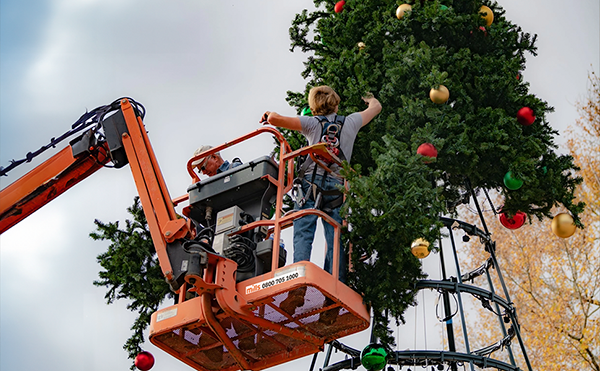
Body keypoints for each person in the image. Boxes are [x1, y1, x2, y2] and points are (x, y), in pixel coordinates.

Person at [260, 86, 382, 287]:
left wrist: (268, 115)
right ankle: (336, 283)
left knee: (303, 230)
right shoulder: (350, 122)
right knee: (335, 235)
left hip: (310, 183)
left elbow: (275, 120)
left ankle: (298, 281)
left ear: (314, 106)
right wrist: (369, 98)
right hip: (337, 186)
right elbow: (376, 107)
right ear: (336, 102)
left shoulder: (311, 123)